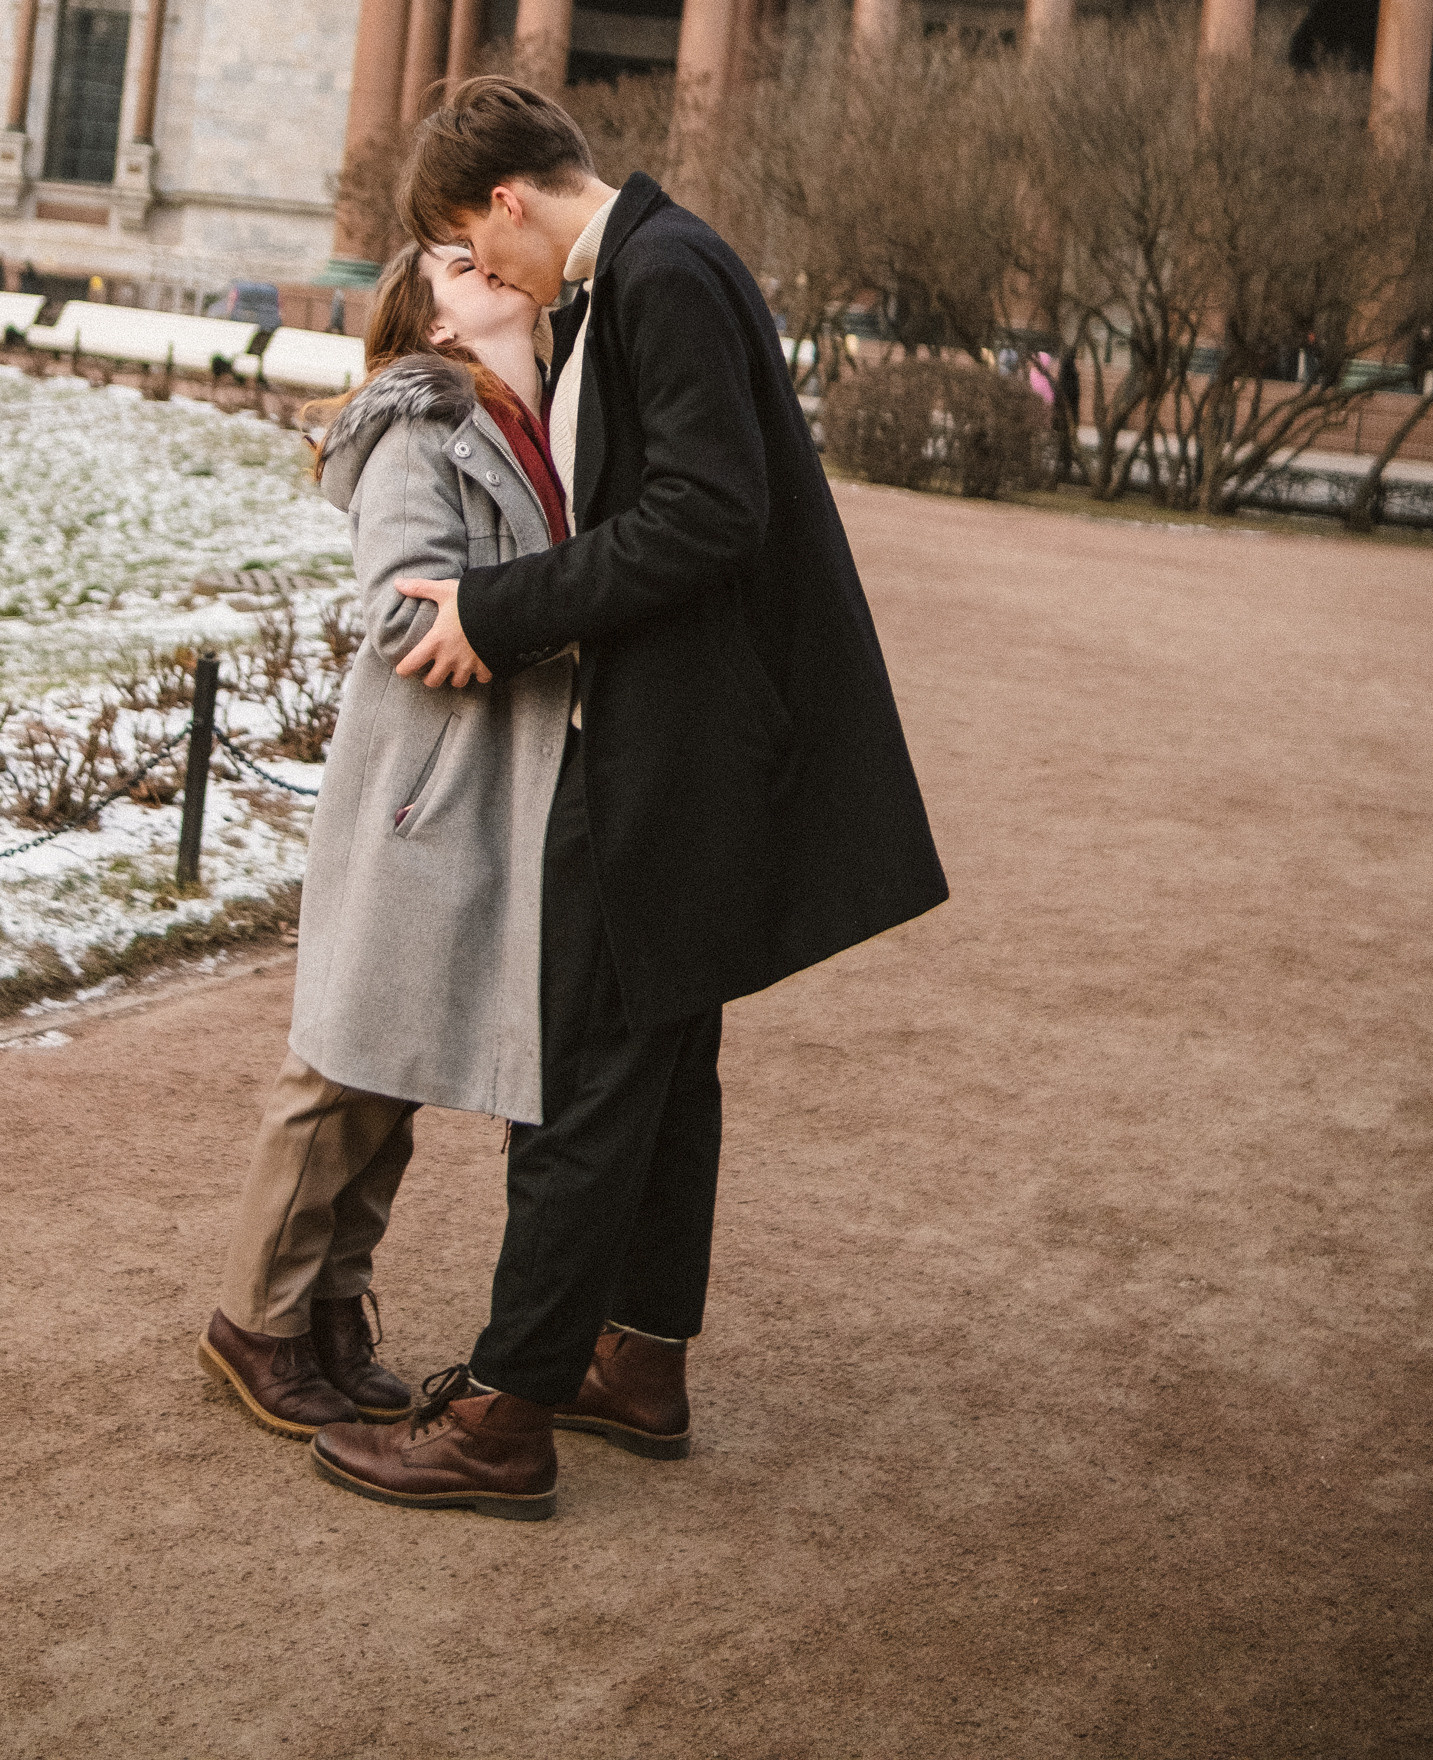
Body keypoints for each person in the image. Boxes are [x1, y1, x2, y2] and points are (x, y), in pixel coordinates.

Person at [307, 79, 948, 1521]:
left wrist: (501, 605)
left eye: (474, 251)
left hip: (675, 748)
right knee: (661, 1059)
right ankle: (637, 1363)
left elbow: (709, 515)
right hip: (701, 737)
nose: (483, 281)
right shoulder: (661, 264)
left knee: (584, 1069)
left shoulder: (655, 275)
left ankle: (503, 1415)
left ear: (506, 204)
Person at [201, 238, 572, 1443]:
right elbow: (398, 610)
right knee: (344, 1065)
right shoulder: (424, 430)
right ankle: (256, 1318)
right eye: (463, 264)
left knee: (396, 1070)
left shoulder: (536, 420)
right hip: (425, 785)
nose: (495, 264)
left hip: (483, 784)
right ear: (442, 325)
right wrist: (556, 627)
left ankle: (333, 1306)